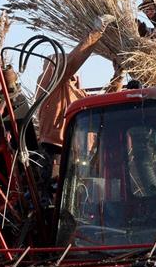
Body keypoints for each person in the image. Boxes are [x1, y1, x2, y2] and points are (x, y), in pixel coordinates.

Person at [35, 15, 124, 195]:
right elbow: (69, 65)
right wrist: (96, 33)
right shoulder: (49, 85)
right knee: (55, 201)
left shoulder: (77, 94)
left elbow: (101, 106)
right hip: (56, 155)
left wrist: (118, 76)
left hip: (79, 157)